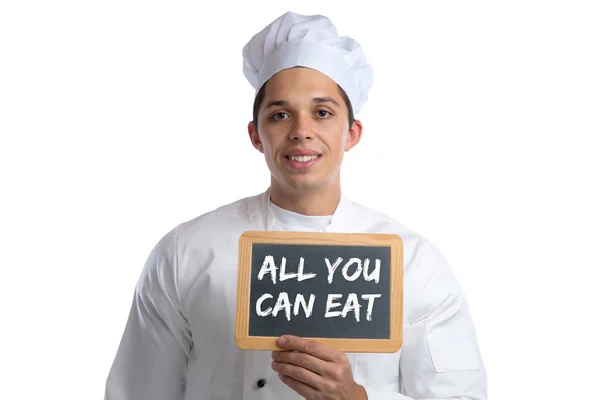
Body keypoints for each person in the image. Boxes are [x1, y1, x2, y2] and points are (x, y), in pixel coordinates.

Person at [104, 10, 487, 400]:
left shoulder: (413, 265)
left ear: (350, 133)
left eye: (322, 113)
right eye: (280, 115)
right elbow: (137, 392)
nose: (301, 131)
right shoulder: (186, 251)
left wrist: (356, 398)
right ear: (256, 135)